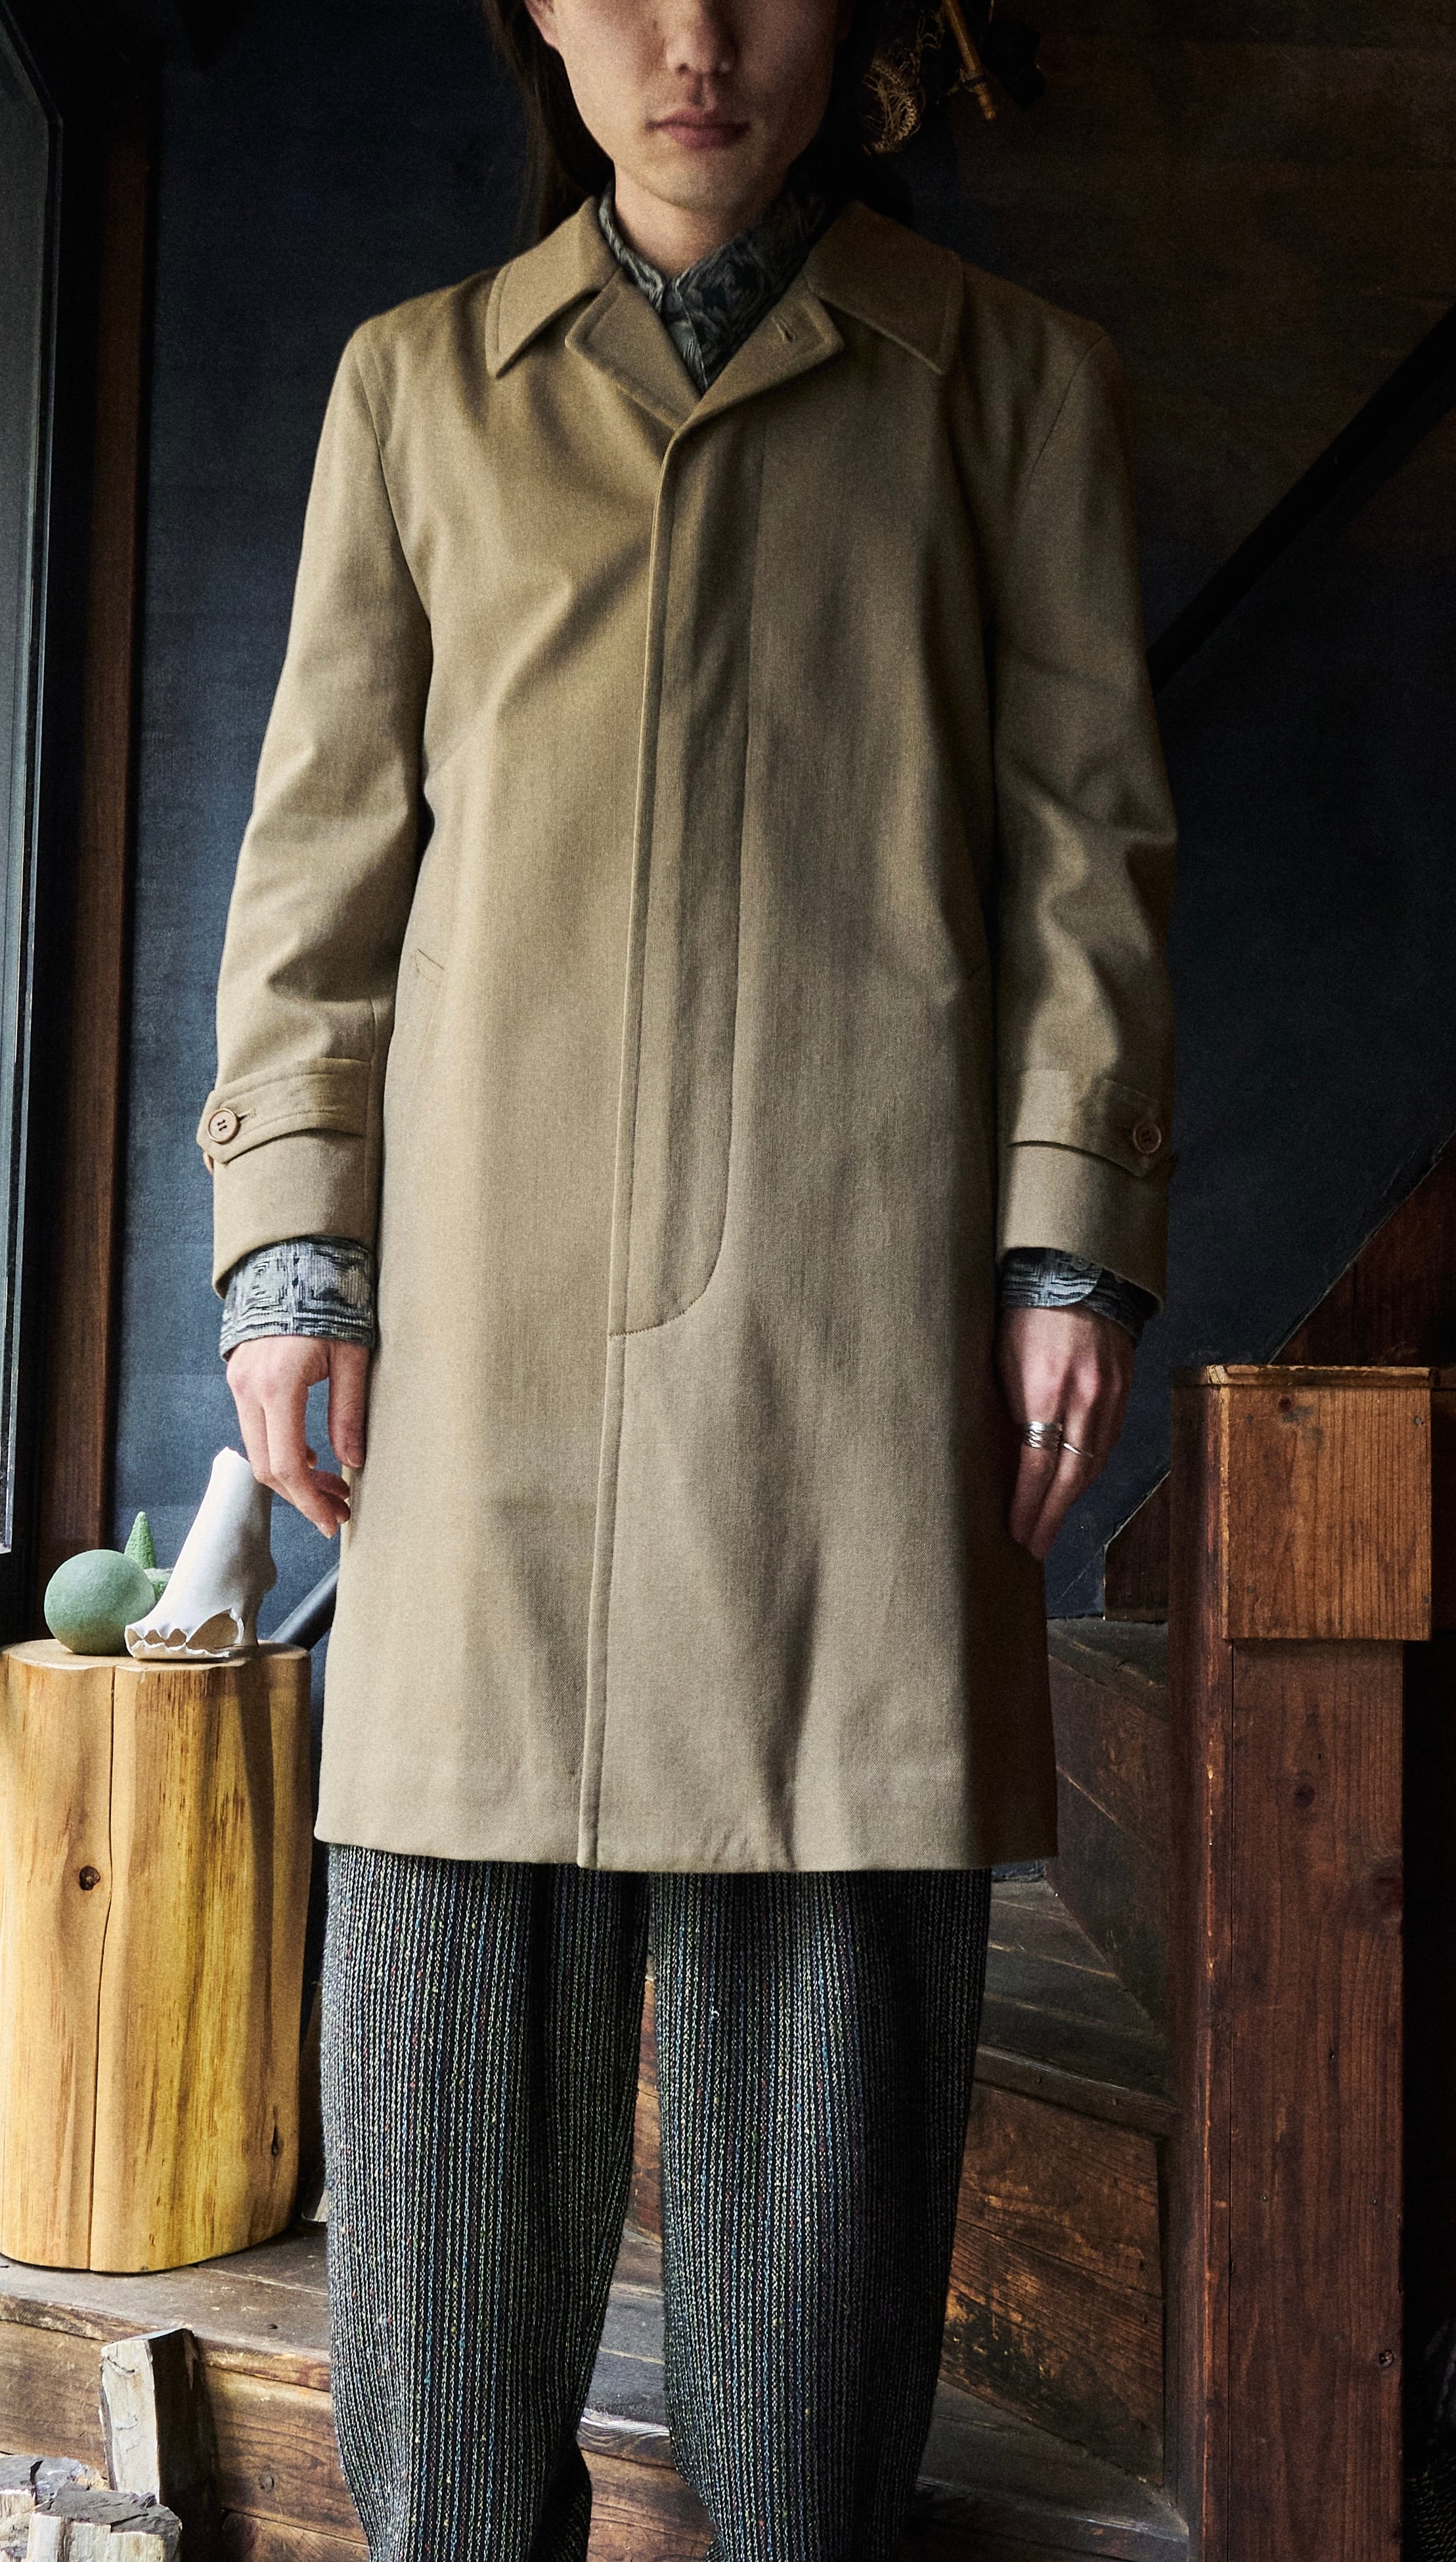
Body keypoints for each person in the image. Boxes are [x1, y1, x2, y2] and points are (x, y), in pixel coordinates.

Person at [202, 0, 1175, 2553]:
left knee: (819, 2297)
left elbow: (1087, 852)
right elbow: (318, 866)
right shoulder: (419, 391)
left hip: (855, 1355)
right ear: (541, 10)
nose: (697, 38)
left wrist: (1070, 1240)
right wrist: (292, 1246)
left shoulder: (1009, 387)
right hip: (486, 1373)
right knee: (439, 2251)